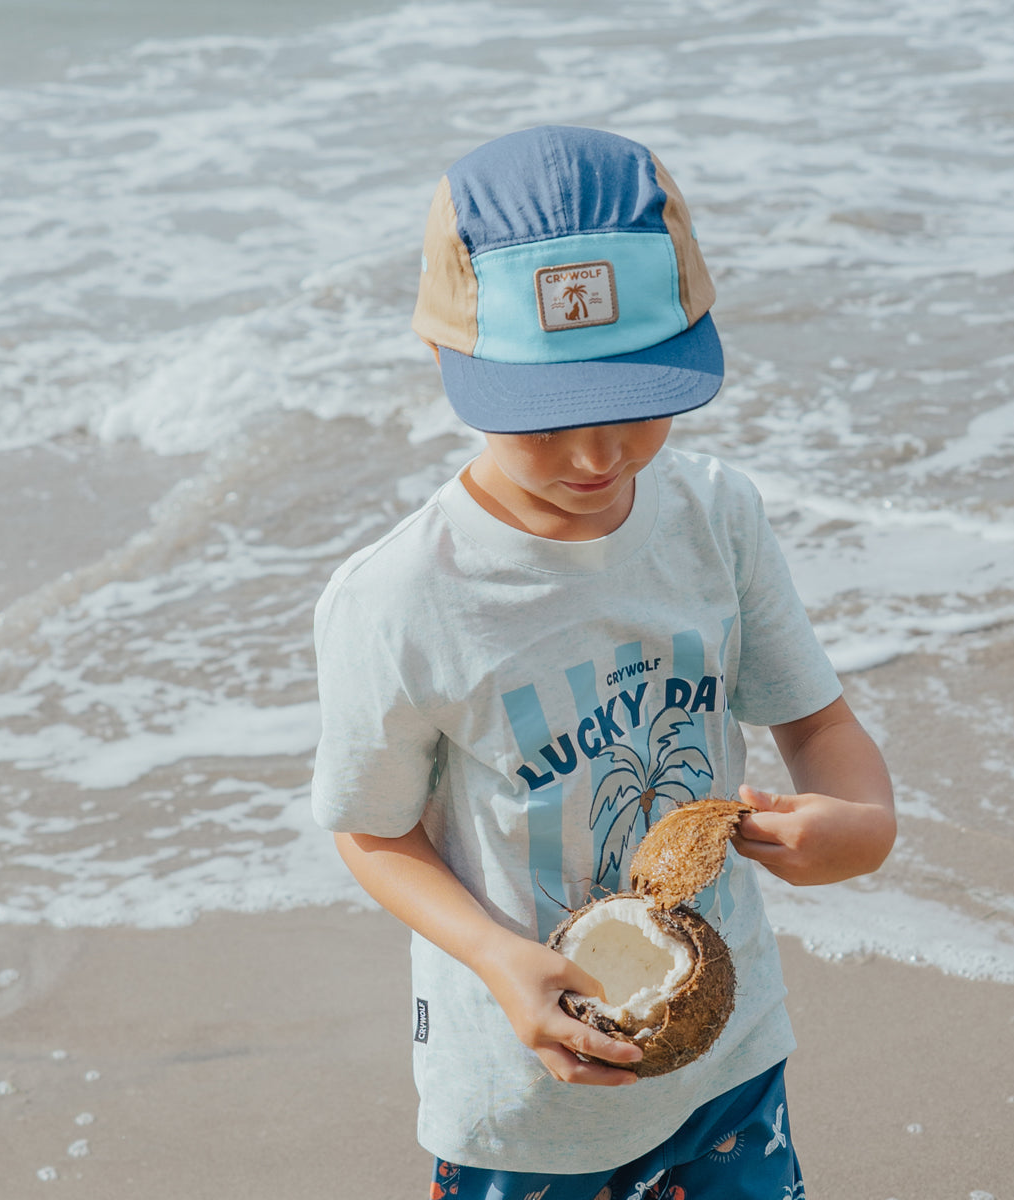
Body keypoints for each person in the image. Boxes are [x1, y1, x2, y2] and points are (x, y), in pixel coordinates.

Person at [311, 125, 895, 1199]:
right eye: (546, 419)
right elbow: (373, 830)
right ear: (445, 357)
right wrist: (499, 958)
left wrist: (865, 823)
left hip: (728, 1057)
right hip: (526, 1095)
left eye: (632, 404)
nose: (595, 456)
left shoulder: (715, 517)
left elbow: (817, 726)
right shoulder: (400, 599)